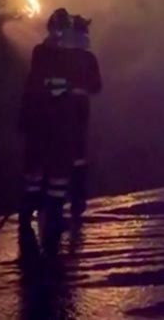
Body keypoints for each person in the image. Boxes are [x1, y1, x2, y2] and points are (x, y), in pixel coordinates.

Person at [18, 8, 79, 253]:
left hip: (57, 123)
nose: (59, 33)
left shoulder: (66, 55)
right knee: (36, 172)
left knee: (57, 173)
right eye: (57, 29)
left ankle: (51, 216)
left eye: (62, 29)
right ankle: (28, 214)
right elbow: (41, 85)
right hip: (45, 121)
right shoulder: (43, 53)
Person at [60, 15, 102, 218]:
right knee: (77, 151)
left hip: (61, 105)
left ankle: (58, 200)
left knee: (62, 149)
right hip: (79, 106)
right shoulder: (88, 58)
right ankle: (77, 198)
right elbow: (96, 87)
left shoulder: (59, 57)